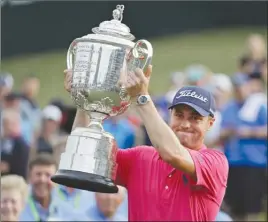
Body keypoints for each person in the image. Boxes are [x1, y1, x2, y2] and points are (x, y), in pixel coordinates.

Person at [63, 65, 228, 221]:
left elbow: (174, 154)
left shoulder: (215, 162)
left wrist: (141, 98)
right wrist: (84, 103)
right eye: (179, 115)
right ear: (170, 115)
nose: (185, 124)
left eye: (195, 118)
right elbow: (85, 155)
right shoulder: (141, 157)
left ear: (210, 123)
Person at [220, 73, 267, 221]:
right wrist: (227, 133)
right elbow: (222, 131)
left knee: (252, 208)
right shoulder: (229, 108)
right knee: (234, 207)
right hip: (233, 163)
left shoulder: (258, 106)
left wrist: (249, 132)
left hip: (254, 163)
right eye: (237, 87)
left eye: (242, 86)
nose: (239, 90)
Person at [19, 153, 88, 221]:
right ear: (30, 176)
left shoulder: (64, 203)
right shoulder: (18, 203)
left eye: (48, 175)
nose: (42, 179)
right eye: (38, 174)